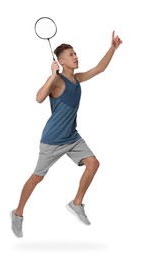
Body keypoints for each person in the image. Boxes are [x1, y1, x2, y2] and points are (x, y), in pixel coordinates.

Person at [11, 31, 122, 237]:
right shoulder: (57, 81)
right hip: (52, 140)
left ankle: (76, 203)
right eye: (71, 55)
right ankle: (17, 214)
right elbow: (38, 98)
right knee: (37, 178)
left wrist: (113, 48)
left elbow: (99, 69)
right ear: (61, 61)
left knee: (93, 163)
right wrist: (52, 75)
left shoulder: (77, 79)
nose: (75, 56)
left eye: (75, 53)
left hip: (72, 137)